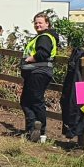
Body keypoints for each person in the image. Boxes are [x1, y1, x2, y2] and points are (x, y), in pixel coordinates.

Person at [20, 13, 59, 142]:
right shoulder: (41, 37)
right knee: (26, 101)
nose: (37, 25)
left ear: (47, 23)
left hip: (39, 72)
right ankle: (33, 128)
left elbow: (43, 53)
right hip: (35, 72)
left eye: (40, 22)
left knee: (36, 101)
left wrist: (29, 59)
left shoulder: (45, 37)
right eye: (36, 23)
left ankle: (40, 131)